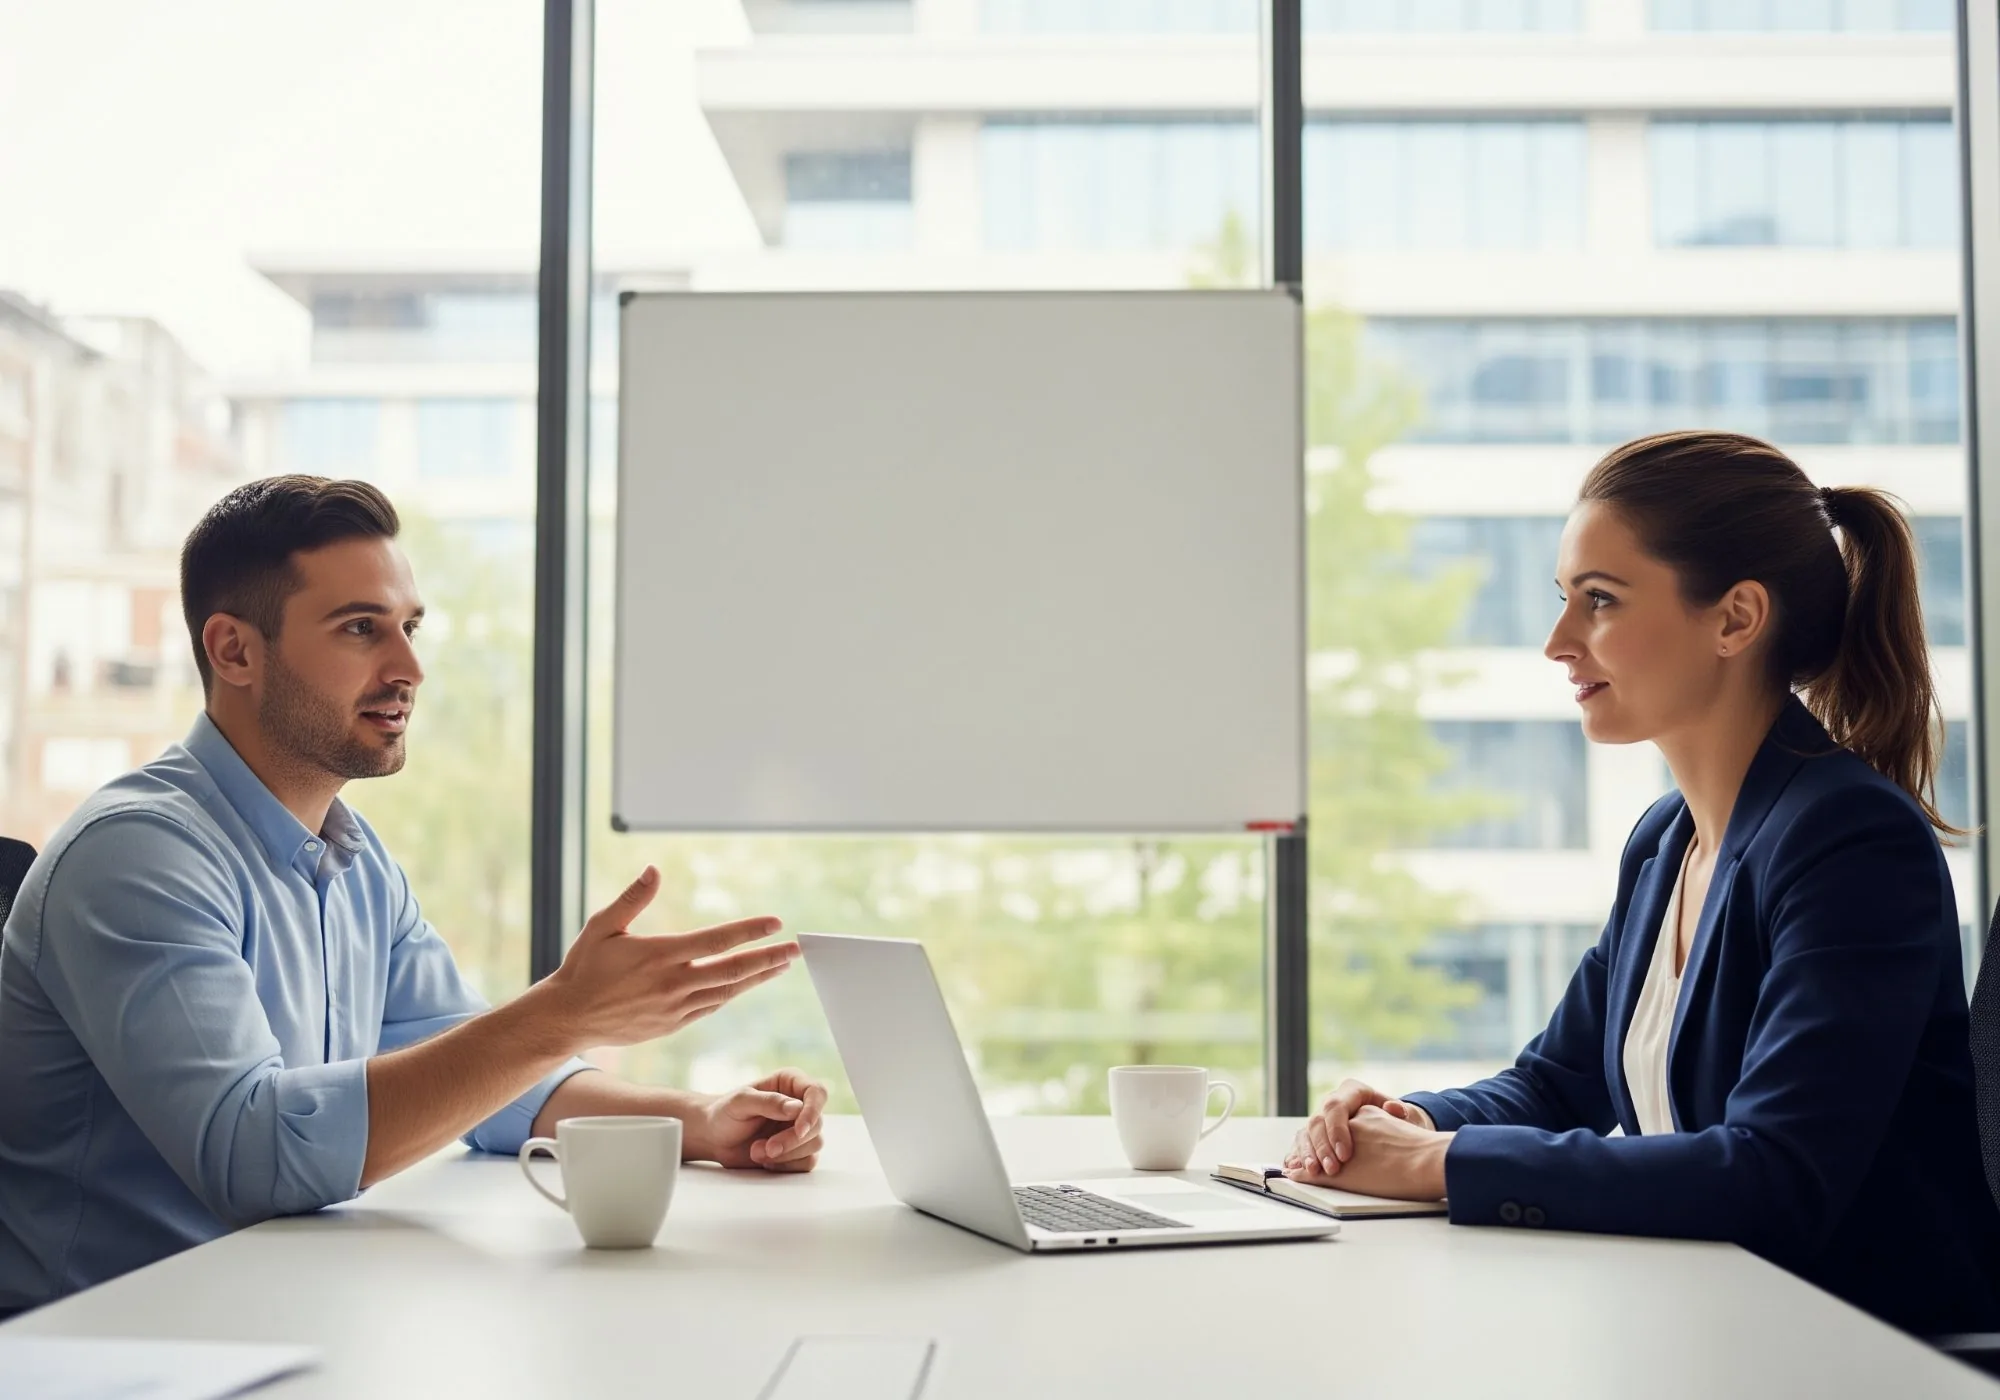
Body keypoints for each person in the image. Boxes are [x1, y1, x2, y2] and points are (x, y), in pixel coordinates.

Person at [0, 476, 828, 1315]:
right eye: (361, 629)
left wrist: (702, 1118)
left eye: (410, 628)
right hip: (112, 1346)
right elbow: (254, 1159)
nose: (410, 669)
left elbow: (489, 1080)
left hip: (276, 1319)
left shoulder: (355, 861)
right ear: (235, 651)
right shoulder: (139, 856)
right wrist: (562, 1013)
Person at [1285, 430, 2000, 1336]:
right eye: (1565, 600)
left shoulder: (1852, 842)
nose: (1557, 643)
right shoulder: (1666, 841)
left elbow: (1775, 1174)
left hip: (1862, 1348)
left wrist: (1437, 1164)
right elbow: (1555, 1083)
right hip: (1712, 1323)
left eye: (1601, 601)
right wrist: (1403, 1121)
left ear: (1736, 620)